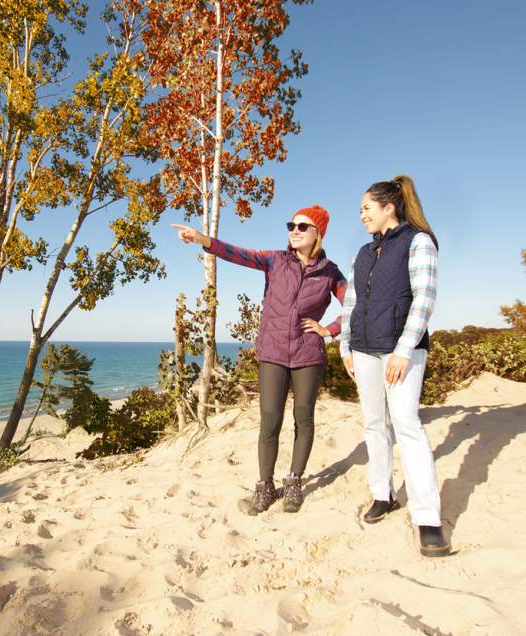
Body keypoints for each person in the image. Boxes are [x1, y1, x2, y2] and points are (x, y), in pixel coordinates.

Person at [172, 205, 346, 515]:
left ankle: (293, 483)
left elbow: (357, 306)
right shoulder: (274, 260)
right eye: (291, 224)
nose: (294, 230)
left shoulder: (330, 272)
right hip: (273, 353)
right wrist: (202, 240)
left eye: (302, 227)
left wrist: (328, 329)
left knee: (303, 420)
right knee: (270, 422)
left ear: (318, 233)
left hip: (308, 354)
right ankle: (265, 487)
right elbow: (236, 253)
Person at [339, 175, 450, 557]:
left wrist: (403, 350)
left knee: (407, 426)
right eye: (360, 209)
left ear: (389, 207)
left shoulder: (418, 241)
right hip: (364, 350)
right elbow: (351, 303)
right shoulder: (364, 253)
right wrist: (345, 347)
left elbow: (424, 298)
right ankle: (382, 494)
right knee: (374, 423)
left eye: (366, 208)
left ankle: (428, 518)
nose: (361, 215)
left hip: (401, 351)